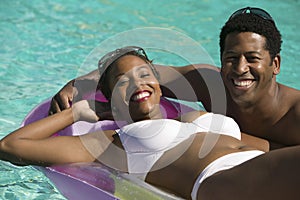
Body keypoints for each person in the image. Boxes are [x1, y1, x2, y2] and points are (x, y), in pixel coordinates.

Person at [1, 46, 300, 199]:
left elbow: (268, 148)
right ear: (109, 97)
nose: (137, 83)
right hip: (225, 182)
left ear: (158, 83)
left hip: (262, 167)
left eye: (144, 74)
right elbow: (11, 145)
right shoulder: (113, 142)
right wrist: (76, 113)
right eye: (123, 81)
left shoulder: (194, 117)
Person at [49, 7, 300, 150]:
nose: (240, 69)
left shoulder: (295, 113)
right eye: (231, 58)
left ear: (275, 64)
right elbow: (144, 73)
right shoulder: (210, 84)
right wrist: (79, 85)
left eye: (252, 58)